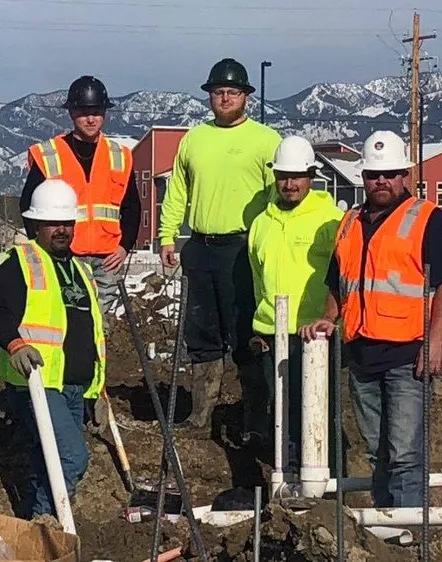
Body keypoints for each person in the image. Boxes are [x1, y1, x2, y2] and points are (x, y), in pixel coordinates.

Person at [301, 130, 442, 508]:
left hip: (408, 355)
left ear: (404, 174)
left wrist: (435, 340)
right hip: (361, 355)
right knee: (377, 452)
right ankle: (388, 526)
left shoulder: (426, 218)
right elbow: (338, 283)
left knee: (405, 454)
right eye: (374, 174)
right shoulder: (350, 221)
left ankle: (408, 529)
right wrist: (329, 319)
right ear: (363, 177)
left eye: (390, 173)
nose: (382, 181)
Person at [158, 58, 282, 431]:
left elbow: (281, 196)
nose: (225, 98)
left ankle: (255, 420)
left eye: (232, 92)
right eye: (218, 92)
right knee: (201, 333)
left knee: (246, 333)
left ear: (246, 96)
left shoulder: (266, 141)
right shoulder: (194, 139)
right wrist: (167, 235)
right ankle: (200, 415)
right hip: (200, 247)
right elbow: (177, 191)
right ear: (209, 96)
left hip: (243, 250)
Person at [0, 179, 107, 519]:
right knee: (70, 457)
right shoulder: (21, 263)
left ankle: (29, 524)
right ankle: (46, 523)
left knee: (47, 459)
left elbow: (89, 333)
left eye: (67, 223)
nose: (62, 230)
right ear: (37, 224)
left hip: (74, 386)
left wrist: (97, 391)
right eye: (54, 223)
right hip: (38, 384)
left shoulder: (81, 270)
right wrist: (16, 344)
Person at [248, 136, 343, 452]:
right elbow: (257, 278)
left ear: (311, 177)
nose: (289, 184)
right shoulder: (262, 223)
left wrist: (332, 318)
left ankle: (323, 475)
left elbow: (344, 276)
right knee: (279, 409)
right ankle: (285, 473)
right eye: (283, 176)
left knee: (316, 411)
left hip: (313, 335)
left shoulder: (330, 221)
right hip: (271, 334)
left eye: (297, 176)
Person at [21, 75, 140, 316]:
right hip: (65, 254)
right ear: (72, 113)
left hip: (107, 259)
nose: (90, 118)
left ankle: (95, 356)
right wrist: (43, 247)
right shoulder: (49, 154)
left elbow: (132, 207)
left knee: (99, 324)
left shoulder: (120, 155)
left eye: (96, 112)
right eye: (83, 112)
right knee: (65, 318)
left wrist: (124, 247)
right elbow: (28, 205)